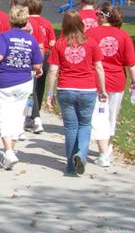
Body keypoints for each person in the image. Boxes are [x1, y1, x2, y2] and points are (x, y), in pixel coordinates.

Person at [45, 10, 108, 176]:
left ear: (64, 25)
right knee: (85, 125)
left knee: (71, 128)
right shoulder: (91, 43)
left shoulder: (59, 44)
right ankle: (81, 154)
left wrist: (49, 94)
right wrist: (102, 90)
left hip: (66, 89)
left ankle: (71, 166)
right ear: (81, 24)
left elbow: (53, 70)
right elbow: (99, 68)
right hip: (87, 89)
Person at [0, 6, 44, 170]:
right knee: (19, 117)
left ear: (11, 20)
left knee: (4, 116)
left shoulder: (5, 36)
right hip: (24, 81)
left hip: (5, 81)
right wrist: (37, 68)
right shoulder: (31, 40)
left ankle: (8, 151)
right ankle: (11, 151)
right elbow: (37, 64)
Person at [87, 4, 135, 167]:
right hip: (117, 81)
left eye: (97, 15)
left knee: (96, 114)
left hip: (95, 80)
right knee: (111, 115)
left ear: (103, 16)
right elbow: (131, 63)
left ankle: (102, 148)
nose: (96, 18)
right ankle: (107, 145)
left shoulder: (90, 33)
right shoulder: (123, 36)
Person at [25, 0, 56, 133]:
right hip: (46, 57)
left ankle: (35, 117)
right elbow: (52, 42)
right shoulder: (47, 22)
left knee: (30, 90)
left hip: (32, 57)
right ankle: (32, 115)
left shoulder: (27, 22)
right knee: (39, 88)